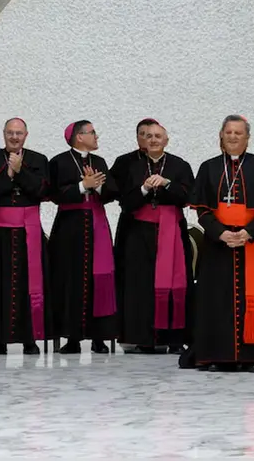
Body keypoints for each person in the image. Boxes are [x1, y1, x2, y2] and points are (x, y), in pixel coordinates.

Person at [183, 115, 254, 372]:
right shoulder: (209, 167)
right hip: (218, 245)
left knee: (252, 299)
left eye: (239, 133)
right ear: (221, 136)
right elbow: (201, 210)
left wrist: (248, 232)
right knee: (216, 299)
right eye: (229, 132)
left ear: (247, 137)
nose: (233, 137)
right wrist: (220, 233)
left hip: (251, 242)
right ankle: (216, 355)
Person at [118, 122, 194, 354]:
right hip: (139, 234)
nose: (153, 140)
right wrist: (143, 189)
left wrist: (167, 183)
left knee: (175, 283)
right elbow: (125, 202)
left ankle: (174, 339)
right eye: (148, 136)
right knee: (141, 285)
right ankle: (145, 338)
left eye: (158, 136)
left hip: (171, 231)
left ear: (166, 141)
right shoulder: (132, 166)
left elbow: (188, 196)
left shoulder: (180, 165)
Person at [0, 118, 50, 355]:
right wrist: (9, 174)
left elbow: (42, 191)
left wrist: (20, 172)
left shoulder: (38, 160)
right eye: (10, 133)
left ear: (26, 135)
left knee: (30, 284)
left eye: (19, 133)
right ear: (3, 134)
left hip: (29, 232)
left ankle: (30, 338)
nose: (14, 137)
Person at [48, 120, 119, 354]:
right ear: (79, 136)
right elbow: (54, 194)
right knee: (71, 281)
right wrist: (82, 185)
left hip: (97, 225)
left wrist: (97, 187)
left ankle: (100, 336)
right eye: (92, 132)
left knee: (99, 280)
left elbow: (112, 192)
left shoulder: (99, 162)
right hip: (70, 229)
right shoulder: (59, 162)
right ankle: (73, 338)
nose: (96, 136)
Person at [110, 118, 159, 345]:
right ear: (137, 136)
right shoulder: (125, 162)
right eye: (143, 134)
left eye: (153, 134)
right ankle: (132, 332)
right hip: (133, 226)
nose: (149, 138)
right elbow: (114, 191)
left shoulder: (171, 163)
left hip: (163, 229)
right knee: (132, 280)